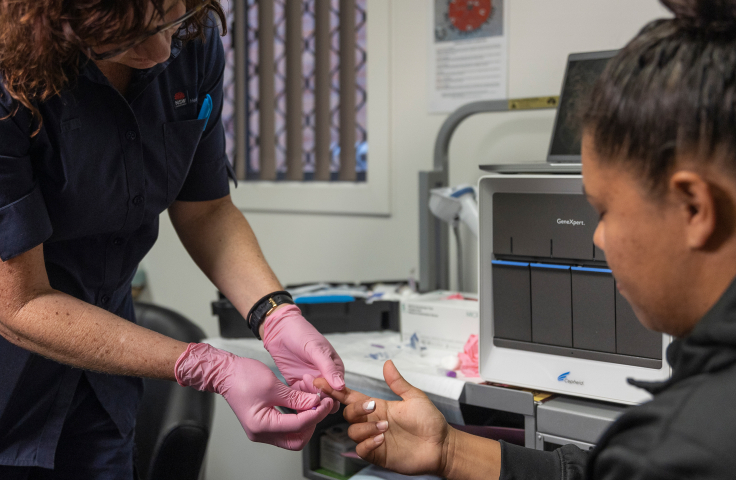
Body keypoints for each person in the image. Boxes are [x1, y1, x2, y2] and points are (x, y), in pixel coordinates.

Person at [317, 0, 736, 478]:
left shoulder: (672, 451)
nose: (596, 238)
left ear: (695, 209)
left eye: (604, 211)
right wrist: (452, 451)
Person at [0, 1, 344, 478]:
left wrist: (275, 314)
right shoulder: (9, 79)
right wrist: (210, 367)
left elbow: (206, 211)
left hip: (105, 380)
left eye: (169, 20)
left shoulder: (192, 43)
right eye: (125, 36)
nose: (162, 51)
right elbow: (18, 304)